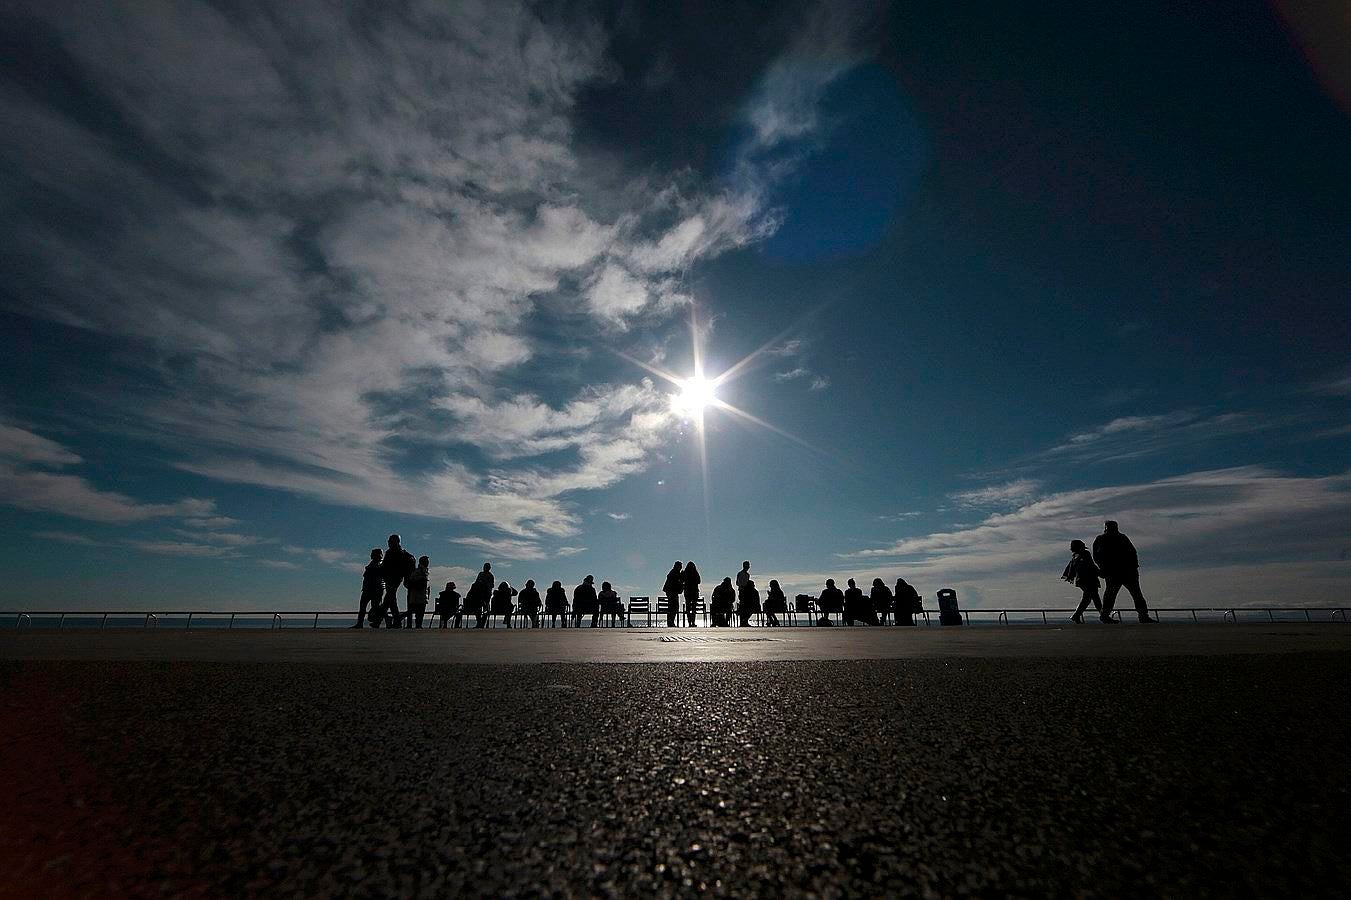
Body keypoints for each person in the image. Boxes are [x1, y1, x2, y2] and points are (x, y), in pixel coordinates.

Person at [1092, 520, 1157, 624]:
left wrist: (1134, 566)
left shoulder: (1119, 538)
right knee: (1115, 595)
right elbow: (1097, 557)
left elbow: (1132, 552)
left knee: (1133, 594)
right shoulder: (1104, 539)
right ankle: (1106, 615)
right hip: (1117, 572)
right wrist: (1104, 568)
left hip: (1125, 572)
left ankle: (1142, 615)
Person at [378, 534, 416, 628]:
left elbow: (406, 564)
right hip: (389, 578)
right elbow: (385, 566)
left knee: (389, 600)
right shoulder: (390, 552)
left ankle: (383, 618)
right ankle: (395, 620)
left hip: (395, 579)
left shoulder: (400, 553)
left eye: (390, 541)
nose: (389, 543)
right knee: (391, 600)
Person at [1062, 540, 1102, 624]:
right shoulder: (1085, 554)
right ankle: (1103, 616)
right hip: (1089, 580)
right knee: (1093, 598)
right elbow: (1091, 565)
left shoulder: (1074, 557)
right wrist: (1099, 572)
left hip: (1081, 580)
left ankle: (1077, 615)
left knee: (1089, 598)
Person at [353, 549, 384, 628]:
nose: (371, 556)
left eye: (372, 554)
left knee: (375, 606)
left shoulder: (379, 565)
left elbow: (376, 577)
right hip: (368, 588)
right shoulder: (373, 564)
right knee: (364, 606)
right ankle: (360, 623)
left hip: (375, 589)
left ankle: (376, 622)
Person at [464, 563, 494, 628]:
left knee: (485, 609)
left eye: (486, 567)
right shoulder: (480, 574)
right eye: (484, 567)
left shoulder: (490, 576)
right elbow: (476, 582)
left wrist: (485, 585)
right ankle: (479, 623)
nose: (485, 568)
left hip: (486, 594)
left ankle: (482, 624)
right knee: (477, 609)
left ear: (489, 568)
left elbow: (491, 586)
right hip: (478, 594)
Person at [405, 555, 431, 628]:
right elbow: (412, 582)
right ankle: (417, 625)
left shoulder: (425, 571)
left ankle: (418, 625)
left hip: (422, 594)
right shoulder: (418, 571)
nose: (427, 563)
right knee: (418, 611)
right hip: (417, 594)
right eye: (426, 561)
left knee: (420, 611)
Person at [662, 561, 684, 627]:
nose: (680, 568)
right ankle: (670, 622)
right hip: (672, 591)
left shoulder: (674, 572)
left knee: (673, 607)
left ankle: (671, 622)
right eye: (680, 566)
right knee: (673, 607)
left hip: (671, 591)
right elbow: (676, 582)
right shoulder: (674, 573)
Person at [682, 561, 701, 627]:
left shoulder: (685, 573)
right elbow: (699, 581)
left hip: (687, 592)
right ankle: (693, 622)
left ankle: (690, 622)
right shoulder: (695, 573)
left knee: (688, 608)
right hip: (694, 592)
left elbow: (682, 580)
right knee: (693, 608)